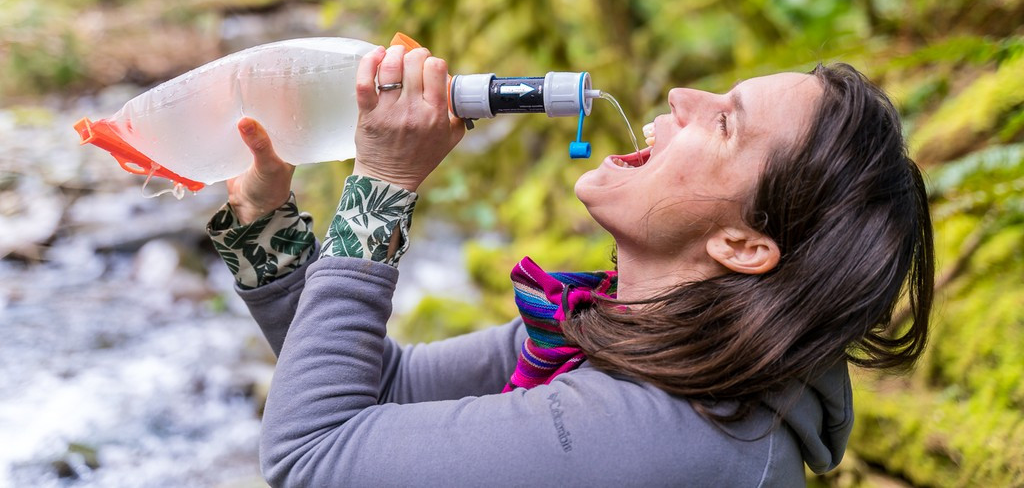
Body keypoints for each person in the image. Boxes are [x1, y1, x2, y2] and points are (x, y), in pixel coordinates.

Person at [206, 43, 933, 487]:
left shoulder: (664, 436)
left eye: (724, 120)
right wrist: (269, 234)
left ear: (743, 246)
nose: (682, 96)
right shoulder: (628, 337)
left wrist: (382, 186)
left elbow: (310, 451)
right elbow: (385, 393)